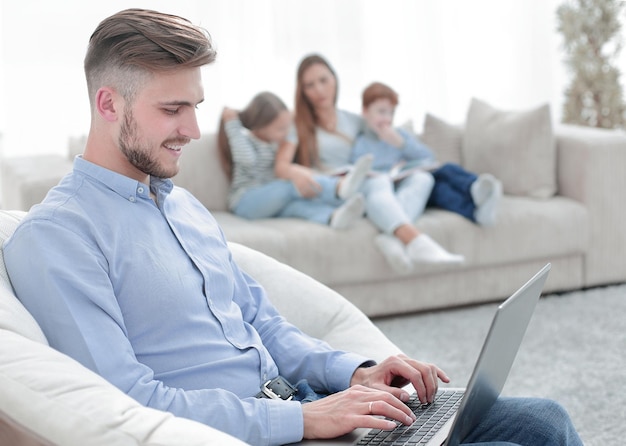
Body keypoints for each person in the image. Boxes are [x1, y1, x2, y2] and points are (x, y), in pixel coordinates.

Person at [3, 10, 582, 446]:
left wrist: (355, 371)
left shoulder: (183, 207)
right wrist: (305, 419)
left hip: (308, 405)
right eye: (172, 109)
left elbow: (262, 321)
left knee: (544, 421)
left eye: (197, 105)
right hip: (261, 432)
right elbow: (126, 402)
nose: (195, 129)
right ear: (108, 104)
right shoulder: (59, 238)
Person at [275, 54, 464, 274]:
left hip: (368, 185)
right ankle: (416, 242)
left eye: (323, 80)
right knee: (378, 182)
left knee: (423, 178)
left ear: (335, 79)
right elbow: (281, 166)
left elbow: (425, 157)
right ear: (302, 91)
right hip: (337, 190)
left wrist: (398, 141)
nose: (319, 90)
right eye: (310, 85)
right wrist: (300, 172)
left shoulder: (355, 121)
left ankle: (391, 237)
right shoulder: (297, 124)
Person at [351, 81, 502, 232]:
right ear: (365, 111)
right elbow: (360, 174)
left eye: (391, 113)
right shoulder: (361, 144)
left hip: (416, 179)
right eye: (381, 112)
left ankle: (476, 191)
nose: (387, 118)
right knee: (435, 186)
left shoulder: (399, 135)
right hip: (398, 188)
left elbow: (428, 156)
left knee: (445, 173)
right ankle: (476, 204)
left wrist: (401, 144)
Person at [217, 91, 371, 229]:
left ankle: (333, 217)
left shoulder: (275, 144)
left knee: (298, 206)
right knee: (291, 184)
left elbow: (291, 136)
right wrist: (232, 123)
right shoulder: (246, 141)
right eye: (280, 129)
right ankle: (339, 187)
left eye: (287, 126)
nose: (286, 132)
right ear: (260, 127)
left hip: (270, 202)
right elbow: (247, 160)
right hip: (246, 203)